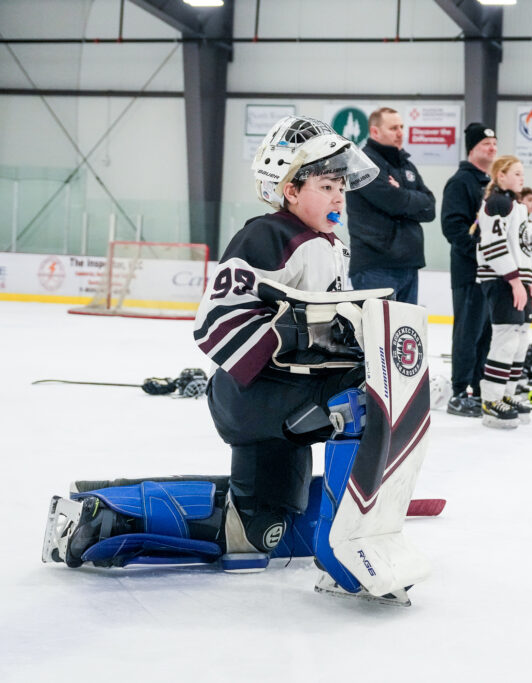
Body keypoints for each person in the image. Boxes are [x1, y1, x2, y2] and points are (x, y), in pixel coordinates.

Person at [43, 117, 435, 603]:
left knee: (255, 533)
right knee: (365, 400)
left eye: (341, 188)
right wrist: (305, 334)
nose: (339, 198)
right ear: (291, 190)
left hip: (283, 392)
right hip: (256, 393)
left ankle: (102, 513)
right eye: (326, 186)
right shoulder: (270, 234)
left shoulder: (329, 245)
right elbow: (217, 319)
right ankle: (345, 554)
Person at [345, 107, 435, 304]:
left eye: (402, 127)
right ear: (375, 131)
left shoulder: (406, 164)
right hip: (375, 266)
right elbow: (394, 202)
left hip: (409, 265)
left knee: (406, 325)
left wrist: (402, 192)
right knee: (378, 325)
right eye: (394, 128)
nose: (400, 133)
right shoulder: (363, 164)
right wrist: (410, 198)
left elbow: (430, 209)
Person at [475, 155, 532, 429]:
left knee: (520, 339)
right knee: (506, 339)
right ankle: (491, 400)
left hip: (518, 281)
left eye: (523, 173)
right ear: (501, 176)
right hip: (502, 279)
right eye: (516, 173)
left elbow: (523, 248)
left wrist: (530, 278)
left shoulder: (517, 206)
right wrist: (514, 281)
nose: (522, 178)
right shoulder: (497, 202)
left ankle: (507, 394)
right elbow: (494, 245)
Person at [441, 123, 497, 417]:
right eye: (487, 143)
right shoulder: (461, 182)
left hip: (490, 273)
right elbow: (453, 227)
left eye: (495, 143)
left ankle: (480, 386)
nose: (493, 147)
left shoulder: (490, 184)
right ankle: (460, 391)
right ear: (473, 148)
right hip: (469, 272)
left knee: (485, 335)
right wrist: (480, 252)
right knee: (468, 333)